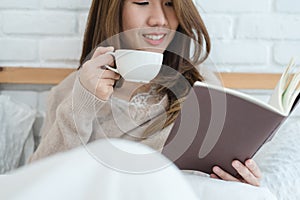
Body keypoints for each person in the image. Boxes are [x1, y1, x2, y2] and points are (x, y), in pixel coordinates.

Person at [29, 0, 262, 187]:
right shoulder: (72, 91)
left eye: (170, 3)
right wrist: (83, 103)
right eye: (142, 2)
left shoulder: (202, 86)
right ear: (113, 9)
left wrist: (241, 179)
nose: (159, 19)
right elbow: (37, 182)